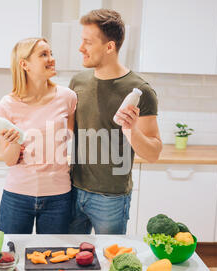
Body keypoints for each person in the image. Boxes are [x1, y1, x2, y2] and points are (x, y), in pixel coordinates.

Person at [69, 9, 162, 234]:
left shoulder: (140, 91)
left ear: (110, 47)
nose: (81, 48)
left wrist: (130, 130)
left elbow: (153, 153)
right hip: (72, 191)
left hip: (110, 198)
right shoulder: (77, 82)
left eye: (88, 42)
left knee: (110, 260)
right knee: (69, 258)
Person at [0, 37, 77, 234]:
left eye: (51, 53)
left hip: (58, 196)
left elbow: (71, 138)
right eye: (43, 55)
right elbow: (9, 160)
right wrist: (16, 141)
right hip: (17, 195)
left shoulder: (67, 97)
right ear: (24, 64)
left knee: (53, 258)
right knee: (11, 255)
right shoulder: (7, 105)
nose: (51, 59)